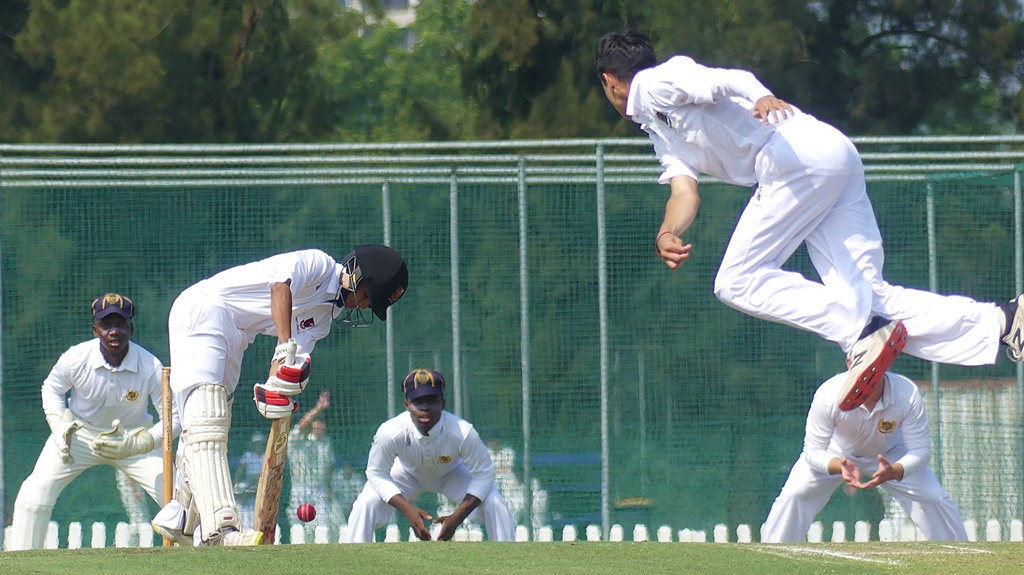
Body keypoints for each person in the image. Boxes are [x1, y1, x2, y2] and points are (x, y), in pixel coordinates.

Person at [595, 30, 1024, 411]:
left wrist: (760, 95)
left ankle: (859, 333)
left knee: (736, 281)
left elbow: (727, 79)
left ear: (608, 80)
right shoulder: (656, 129)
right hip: (831, 153)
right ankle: (1004, 321)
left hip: (790, 157)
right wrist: (668, 231)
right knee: (868, 295)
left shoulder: (654, 83)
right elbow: (684, 190)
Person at [151, 245, 408, 546]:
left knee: (207, 425)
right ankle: (220, 529)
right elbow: (279, 289)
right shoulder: (319, 264)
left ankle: (181, 515)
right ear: (358, 275)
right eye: (368, 296)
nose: (364, 306)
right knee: (208, 421)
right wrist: (285, 345)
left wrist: (279, 385)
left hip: (237, 334)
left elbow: (285, 364)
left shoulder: (324, 320)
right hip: (205, 309)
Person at [8, 294, 180, 550]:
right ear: (95, 330)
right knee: (32, 496)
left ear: (130, 329)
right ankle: (21, 561)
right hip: (77, 436)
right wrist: (58, 426)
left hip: (133, 441)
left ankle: (202, 556)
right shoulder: (76, 358)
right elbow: (52, 389)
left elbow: (174, 416)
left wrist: (142, 442)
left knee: (177, 499)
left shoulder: (150, 365)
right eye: (106, 325)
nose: (114, 331)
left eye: (120, 324)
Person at [761, 371, 967, 543]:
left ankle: (961, 557)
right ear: (850, 363)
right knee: (794, 494)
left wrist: (894, 471)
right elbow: (812, 451)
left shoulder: (907, 392)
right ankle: (772, 559)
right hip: (836, 454)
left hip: (892, 455)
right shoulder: (828, 393)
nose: (867, 372)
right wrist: (839, 466)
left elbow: (921, 451)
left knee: (933, 497)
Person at [345, 369, 516, 543]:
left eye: (431, 401)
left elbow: (484, 474)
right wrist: (408, 511)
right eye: (418, 401)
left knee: (495, 502)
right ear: (407, 405)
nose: (425, 407)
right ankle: (354, 558)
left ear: (442, 403)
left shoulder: (463, 432)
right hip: (405, 474)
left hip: (451, 474)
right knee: (365, 503)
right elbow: (376, 473)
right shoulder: (390, 432)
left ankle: (508, 559)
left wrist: (457, 518)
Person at [286, 390, 334, 542]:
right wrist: (318, 409)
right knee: (298, 529)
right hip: (300, 489)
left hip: (320, 490)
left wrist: (328, 488)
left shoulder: (326, 443)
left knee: (322, 527)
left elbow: (329, 469)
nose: (321, 425)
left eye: (322, 422)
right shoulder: (296, 441)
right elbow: (301, 426)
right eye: (317, 421)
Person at [232, 431, 266, 531]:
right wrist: (235, 482)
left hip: (261, 484)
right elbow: (240, 470)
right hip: (249, 485)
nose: (258, 446)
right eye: (257, 444)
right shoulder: (248, 455)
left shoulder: (265, 455)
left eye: (260, 443)